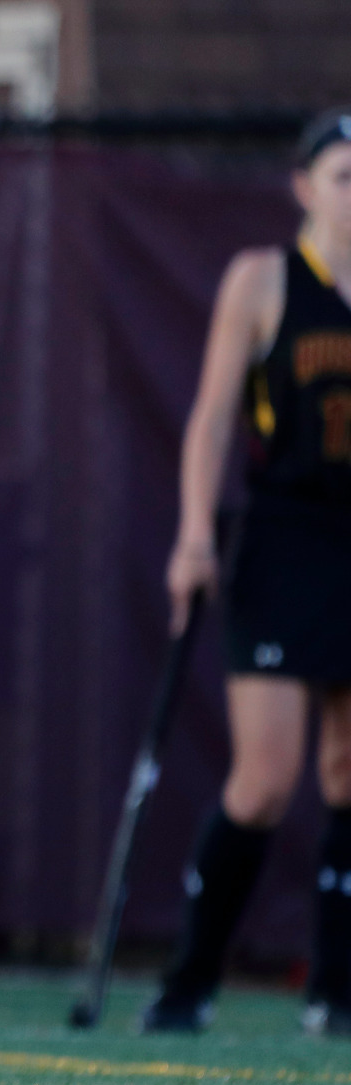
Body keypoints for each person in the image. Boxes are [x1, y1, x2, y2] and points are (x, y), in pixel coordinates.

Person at [151, 108, 351, 1036]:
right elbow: (211, 417)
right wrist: (194, 535)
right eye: (343, 176)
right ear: (305, 187)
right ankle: (189, 980)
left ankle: (337, 992)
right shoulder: (264, 282)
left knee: (349, 771)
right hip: (283, 539)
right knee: (266, 777)